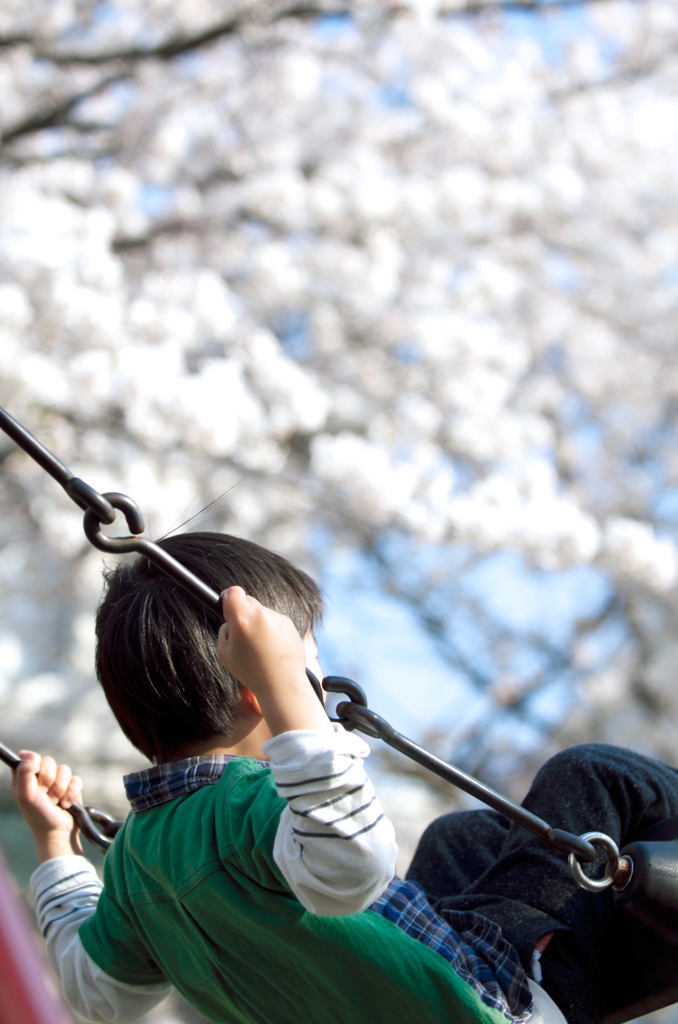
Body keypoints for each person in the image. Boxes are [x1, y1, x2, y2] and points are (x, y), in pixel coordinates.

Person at [11, 532, 678, 1024]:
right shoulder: (248, 807)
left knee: (459, 838)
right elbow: (352, 867)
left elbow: (96, 993)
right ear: (258, 686)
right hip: (501, 1007)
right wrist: (288, 697)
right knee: (588, 775)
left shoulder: (135, 862)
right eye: (309, 662)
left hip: (416, 988)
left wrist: (53, 849)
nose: (320, 684)